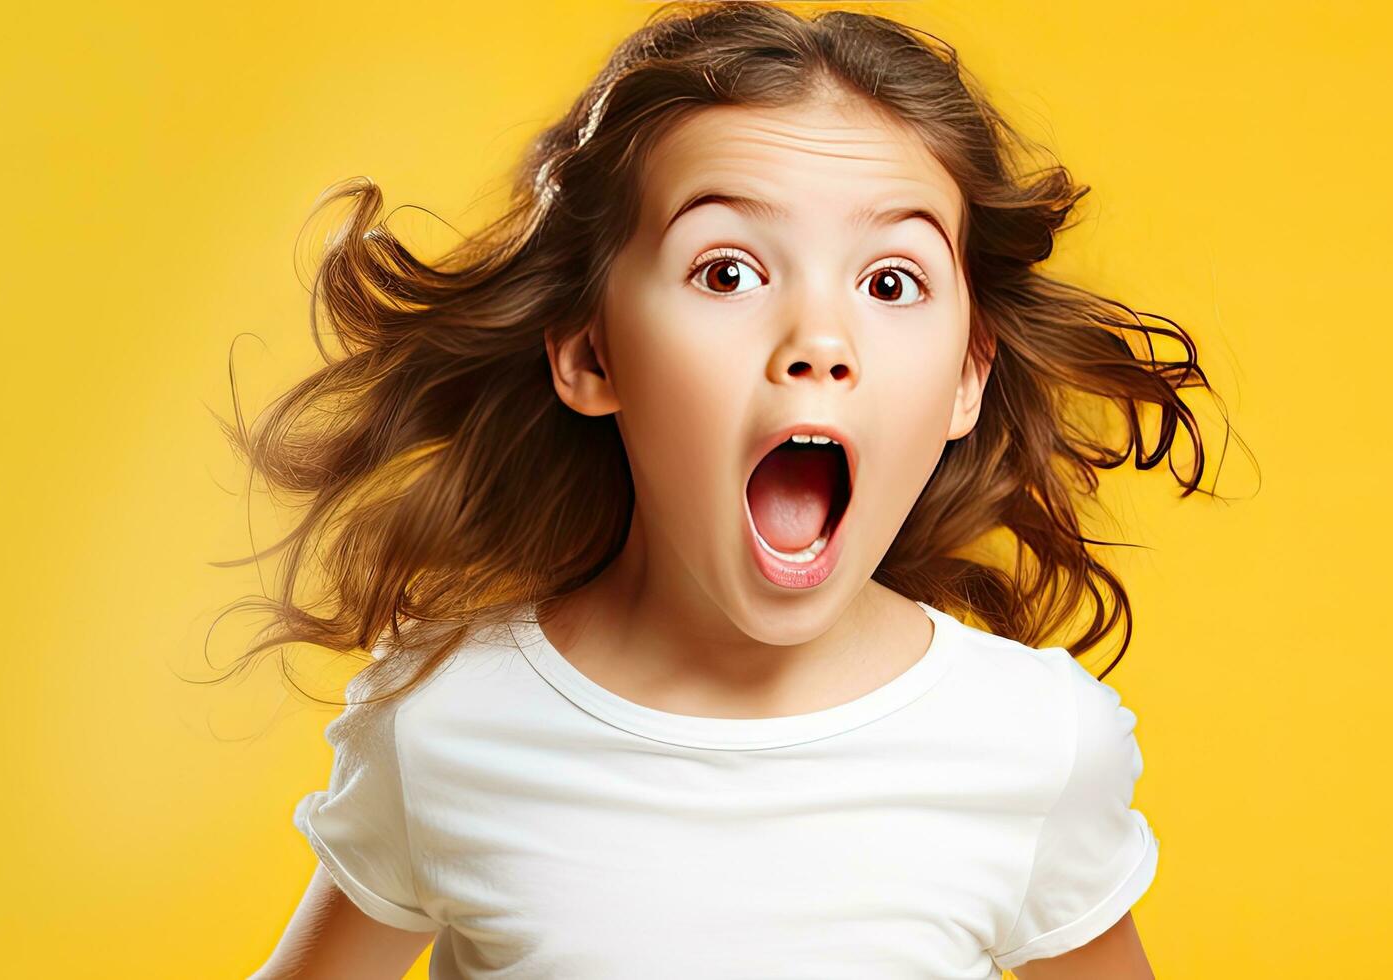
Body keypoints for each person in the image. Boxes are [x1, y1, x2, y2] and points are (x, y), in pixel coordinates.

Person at [225, 3, 1237, 976]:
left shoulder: (1033, 741)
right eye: (727, 272)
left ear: (966, 375)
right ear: (589, 353)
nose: (818, 344)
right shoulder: (444, 720)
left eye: (888, 281)